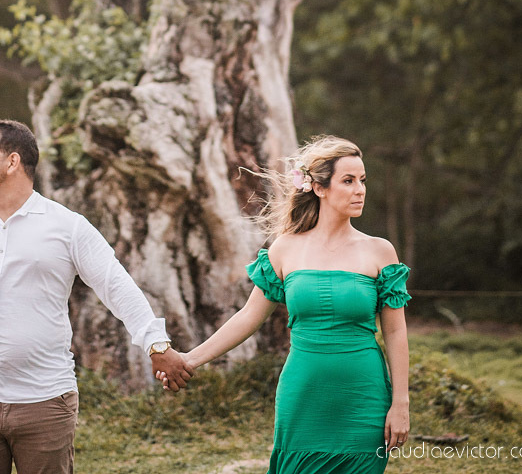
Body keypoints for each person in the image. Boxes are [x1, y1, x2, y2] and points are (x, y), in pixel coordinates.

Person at [0, 117, 192, 474]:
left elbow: (115, 285)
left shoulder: (67, 226)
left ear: (12, 162)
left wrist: (156, 345)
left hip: (45, 399)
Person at [162, 135, 410, 473]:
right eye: (348, 181)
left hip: (364, 396)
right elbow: (249, 316)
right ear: (319, 188)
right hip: (303, 394)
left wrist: (400, 403)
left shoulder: (380, 251)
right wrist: (190, 359)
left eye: (363, 180)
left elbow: (395, 332)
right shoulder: (284, 249)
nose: (360, 189)